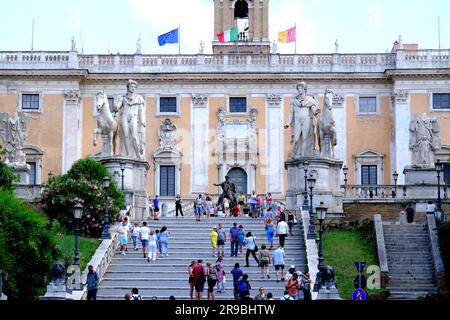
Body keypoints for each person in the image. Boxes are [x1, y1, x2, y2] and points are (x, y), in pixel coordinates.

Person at [114, 79, 146, 159]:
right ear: (128, 87)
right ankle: (128, 154)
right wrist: (116, 107)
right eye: (131, 86)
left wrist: (142, 121)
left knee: (134, 136)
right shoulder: (123, 98)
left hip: (134, 117)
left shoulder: (139, 98)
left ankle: (138, 154)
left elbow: (141, 110)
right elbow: (118, 106)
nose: (133, 88)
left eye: (134, 87)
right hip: (125, 116)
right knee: (126, 135)